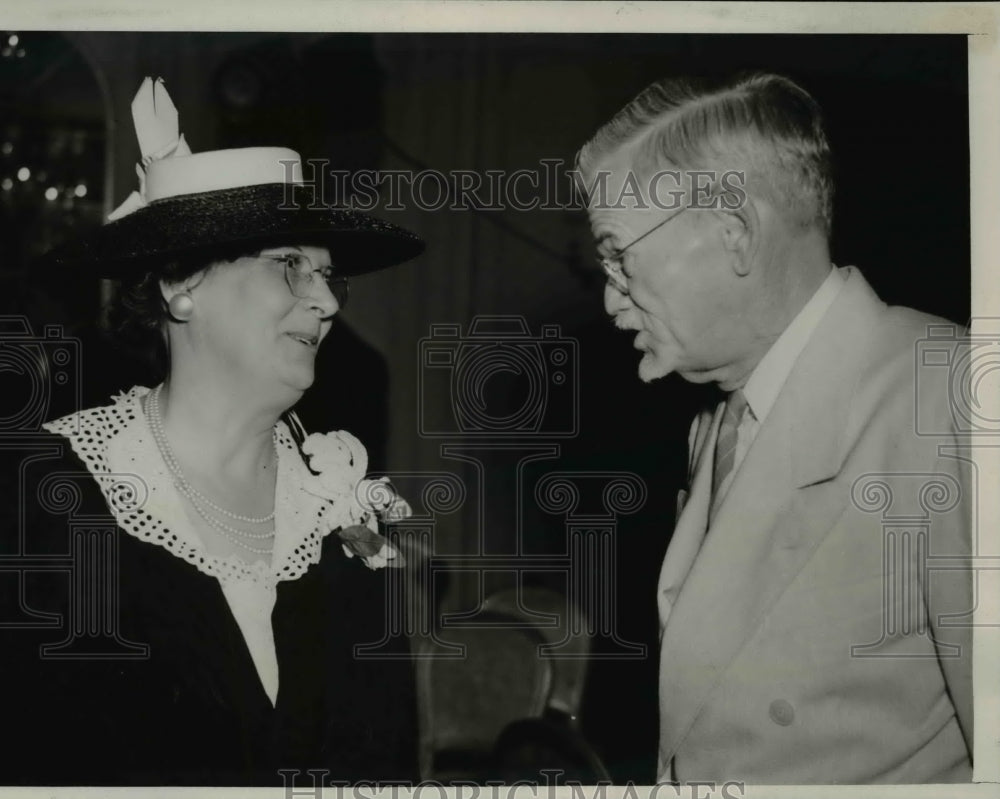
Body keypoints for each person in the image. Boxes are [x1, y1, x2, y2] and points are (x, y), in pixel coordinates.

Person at [2, 77, 424, 786]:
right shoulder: (45, 494)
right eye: (290, 265)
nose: (325, 301)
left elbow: (388, 766)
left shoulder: (339, 513)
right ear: (180, 284)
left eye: (329, 276)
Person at [575, 73, 973, 784]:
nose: (611, 299)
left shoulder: (951, 400)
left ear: (734, 233)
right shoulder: (717, 421)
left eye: (620, 257)